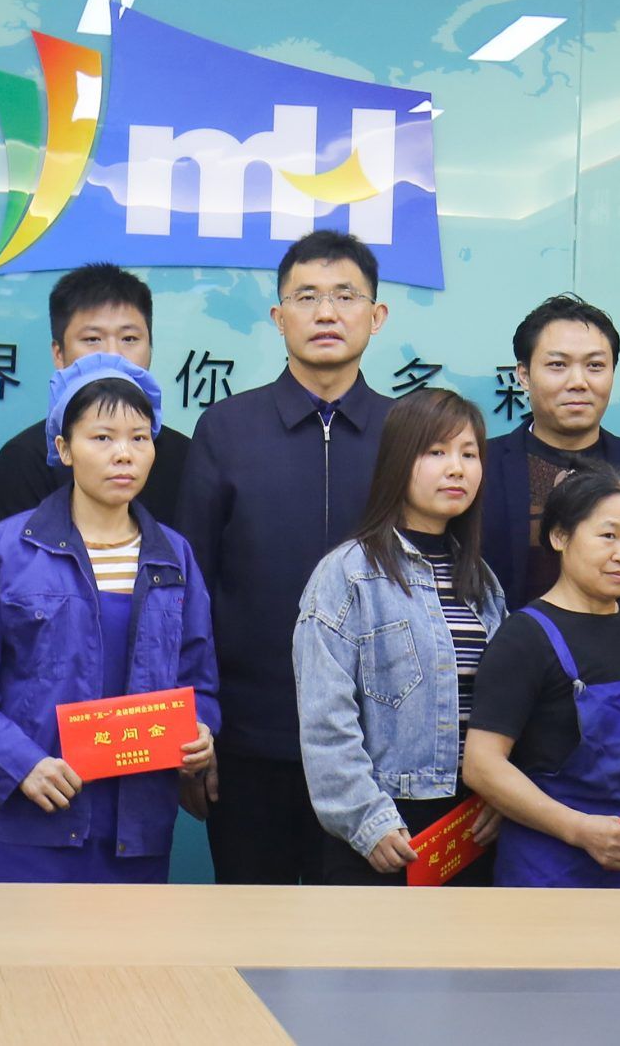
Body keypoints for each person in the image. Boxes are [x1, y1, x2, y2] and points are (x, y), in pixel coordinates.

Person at [0, 356, 219, 882]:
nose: (124, 454)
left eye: (139, 438)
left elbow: (198, 682)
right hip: (29, 822)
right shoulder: (7, 550)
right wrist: (22, 765)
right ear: (63, 449)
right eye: (102, 438)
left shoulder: (174, 557)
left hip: (137, 833)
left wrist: (201, 730)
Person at [176, 230, 393, 885]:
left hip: (376, 750)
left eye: (345, 296)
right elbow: (190, 591)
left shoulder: (408, 434)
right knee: (250, 930)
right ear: (278, 317)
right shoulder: (226, 429)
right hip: (249, 741)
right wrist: (197, 728)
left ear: (377, 315)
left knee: (357, 936)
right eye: (306, 297)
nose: (326, 312)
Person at [462, 466, 620, 887]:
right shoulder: (524, 637)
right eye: (608, 535)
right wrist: (579, 830)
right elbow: (482, 765)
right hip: (553, 872)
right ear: (559, 537)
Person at [294, 388, 509, 885]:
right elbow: (326, 719)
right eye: (436, 452)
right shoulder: (347, 574)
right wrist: (367, 820)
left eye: (469, 454)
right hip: (385, 825)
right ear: (397, 462)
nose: (456, 469)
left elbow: (509, 709)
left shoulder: (483, 582)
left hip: (473, 827)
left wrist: (503, 796)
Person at [479, 295, 620, 612]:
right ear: (523, 375)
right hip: (509, 641)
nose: (578, 382)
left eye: (595, 366)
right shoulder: (482, 466)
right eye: (558, 365)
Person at [0, 263, 192, 524]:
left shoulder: (186, 457)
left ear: (150, 347)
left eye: (129, 338)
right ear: (58, 354)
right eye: (93, 339)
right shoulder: (24, 460)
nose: (113, 354)